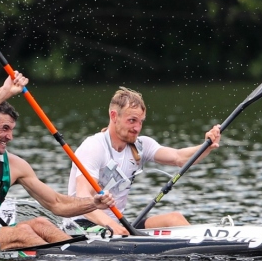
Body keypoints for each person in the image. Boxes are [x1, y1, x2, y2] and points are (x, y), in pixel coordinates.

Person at [0, 72, 116, 254]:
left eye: (12, 130)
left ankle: (79, 260)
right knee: (20, 233)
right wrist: (5, 92)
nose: (9, 137)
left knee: (41, 224)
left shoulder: (15, 166)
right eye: (4, 129)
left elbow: (57, 203)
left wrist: (93, 203)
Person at [67, 86, 221, 235]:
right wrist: (115, 227)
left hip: (119, 227)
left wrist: (207, 145)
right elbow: (83, 197)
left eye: (141, 121)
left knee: (175, 219)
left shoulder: (141, 145)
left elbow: (179, 158)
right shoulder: (94, 147)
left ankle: (209, 246)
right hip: (82, 226)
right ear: (114, 116)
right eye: (132, 120)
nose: (137, 128)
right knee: (120, 232)